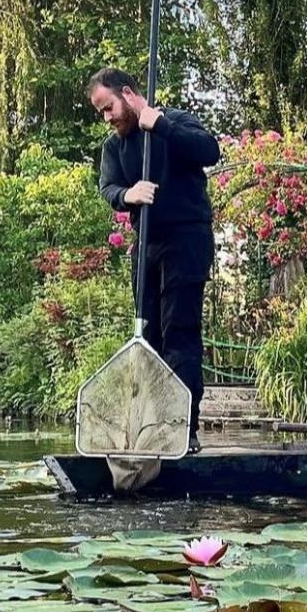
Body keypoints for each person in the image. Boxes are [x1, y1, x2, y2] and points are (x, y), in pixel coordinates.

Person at [88, 67, 221, 452]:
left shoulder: (173, 122)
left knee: (179, 333)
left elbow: (209, 151)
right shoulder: (114, 147)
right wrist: (129, 195)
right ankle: (152, 427)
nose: (108, 117)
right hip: (146, 245)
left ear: (128, 94)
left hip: (187, 239)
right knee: (148, 337)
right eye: (101, 113)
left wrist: (159, 124)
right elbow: (108, 186)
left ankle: (183, 430)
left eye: (109, 107)